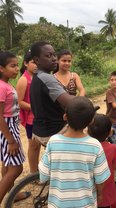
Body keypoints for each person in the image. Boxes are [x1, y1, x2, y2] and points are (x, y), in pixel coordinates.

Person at [38, 96, 110, 208]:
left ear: (65, 116)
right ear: (91, 120)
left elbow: (43, 174)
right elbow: (100, 179)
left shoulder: (53, 142)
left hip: (58, 204)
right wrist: (100, 194)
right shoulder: (95, 145)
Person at [30, 41, 74, 146]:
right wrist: (86, 102)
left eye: (54, 54)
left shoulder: (37, 76)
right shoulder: (47, 78)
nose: (54, 58)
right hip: (54, 131)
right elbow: (70, 103)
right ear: (37, 60)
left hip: (40, 129)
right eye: (48, 56)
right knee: (95, 130)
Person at [0, 51, 30, 204]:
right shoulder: (1, 87)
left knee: (7, 163)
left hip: (10, 126)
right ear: (1, 68)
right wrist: (11, 140)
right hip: (8, 128)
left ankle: (12, 194)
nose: (16, 69)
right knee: (16, 168)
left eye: (17, 65)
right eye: (12, 66)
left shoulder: (6, 84)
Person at [88, 114, 116, 208]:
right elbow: (115, 167)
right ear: (110, 132)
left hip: (91, 189)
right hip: (108, 186)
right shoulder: (113, 148)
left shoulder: (87, 148)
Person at [16, 51, 39, 173]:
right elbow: (19, 102)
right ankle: (33, 172)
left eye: (37, 62)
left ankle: (37, 170)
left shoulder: (38, 77)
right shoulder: (24, 80)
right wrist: (36, 107)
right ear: (25, 63)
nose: (36, 65)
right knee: (33, 146)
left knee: (39, 144)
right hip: (31, 119)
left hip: (40, 117)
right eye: (33, 62)